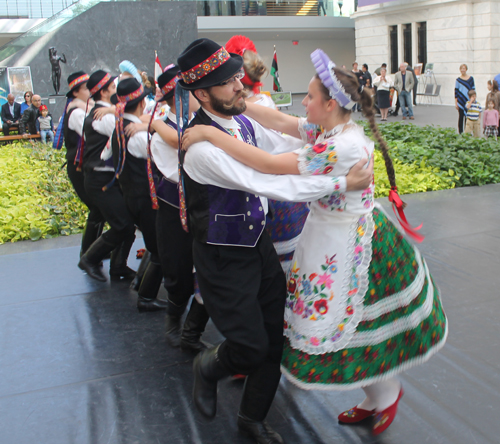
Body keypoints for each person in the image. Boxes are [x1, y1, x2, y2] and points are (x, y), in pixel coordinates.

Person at [182, 48, 448, 437]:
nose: (302, 103)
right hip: (329, 235)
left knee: (349, 325)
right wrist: (239, 104)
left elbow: (270, 168)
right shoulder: (329, 129)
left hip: (347, 241)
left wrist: (208, 130)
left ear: (328, 105)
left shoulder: (340, 146)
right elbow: (279, 119)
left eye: (309, 97)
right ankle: (377, 397)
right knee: (346, 326)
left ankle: (384, 394)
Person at [177, 38, 373, 444]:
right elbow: (265, 179)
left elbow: (286, 144)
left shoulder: (242, 123)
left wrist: (328, 143)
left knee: (273, 340)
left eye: (236, 77)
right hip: (222, 256)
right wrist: (341, 180)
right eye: (228, 82)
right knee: (249, 347)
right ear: (201, 93)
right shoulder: (199, 146)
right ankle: (207, 366)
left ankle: (251, 418)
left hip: (259, 247)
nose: (239, 86)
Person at [226, 35, 309, 272]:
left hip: (265, 191)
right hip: (276, 189)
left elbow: (271, 149)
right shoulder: (264, 103)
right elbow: (282, 125)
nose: (303, 101)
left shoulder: (245, 111)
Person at [150, 66, 210, 350]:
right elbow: (180, 171)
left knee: (208, 273)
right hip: (176, 215)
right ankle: (173, 322)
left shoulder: (201, 125)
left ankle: (191, 332)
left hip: (202, 212)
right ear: (181, 97)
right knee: (179, 272)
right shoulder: (164, 133)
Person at [107, 78, 169, 311]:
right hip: (145, 199)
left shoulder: (120, 127)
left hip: (132, 196)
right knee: (160, 250)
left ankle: (139, 283)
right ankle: (146, 296)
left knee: (154, 247)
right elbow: (165, 155)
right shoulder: (137, 135)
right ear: (143, 103)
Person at [77, 70, 136, 283]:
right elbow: (128, 130)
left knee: (127, 224)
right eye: (113, 88)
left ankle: (118, 266)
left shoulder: (106, 112)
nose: (117, 92)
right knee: (123, 225)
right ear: (103, 92)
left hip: (104, 178)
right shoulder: (104, 116)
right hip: (101, 179)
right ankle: (89, 259)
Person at [62, 71, 106, 257]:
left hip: (84, 165)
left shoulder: (82, 109)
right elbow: (92, 133)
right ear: (75, 93)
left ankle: (94, 250)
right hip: (79, 167)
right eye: (86, 88)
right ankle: (88, 253)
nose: (90, 91)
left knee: (99, 209)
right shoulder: (77, 113)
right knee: (97, 208)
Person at [454, 63, 475, 134]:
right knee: (461, 117)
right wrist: (456, 102)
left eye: (464, 68)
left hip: (468, 100)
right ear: (460, 70)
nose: (463, 70)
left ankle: (467, 132)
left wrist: (472, 100)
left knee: (468, 117)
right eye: (461, 68)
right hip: (460, 101)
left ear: (466, 69)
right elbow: (456, 92)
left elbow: (473, 90)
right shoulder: (458, 80)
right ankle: (460, 132)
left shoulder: (471, 79)